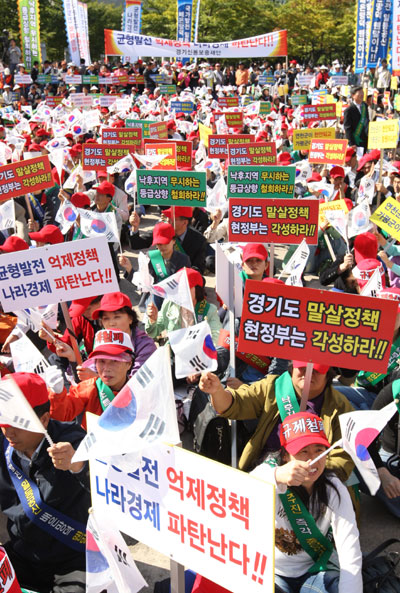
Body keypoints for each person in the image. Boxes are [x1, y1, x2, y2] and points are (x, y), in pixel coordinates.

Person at [193, 412, 362, 593]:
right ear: (285, 455)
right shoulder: (269, 472)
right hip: (272, 572)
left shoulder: (334, 488)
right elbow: (240, 492)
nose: (312, 460)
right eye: (303, 451)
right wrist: (276, 476)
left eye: (319, 450)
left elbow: (350, 552)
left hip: (315, 570)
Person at [0, 372, 90, 593]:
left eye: (17, 421)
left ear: (44, 420)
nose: (8, 430)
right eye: (3, 419)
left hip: (74, 558)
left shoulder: (74, 441)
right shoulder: (3, 443)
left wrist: (79, 465)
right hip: (22, 552)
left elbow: (106, 487)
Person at [199, 361, 354, 480]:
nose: (308, 374)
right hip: (265, 469)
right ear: (292, 368)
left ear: (328, 374)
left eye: (316, 370)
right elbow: (237, 402)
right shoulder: (274, 386)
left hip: (313, 479)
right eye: (302, 368)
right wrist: (217, 391)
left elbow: (342, 459)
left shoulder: (340, 406)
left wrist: (309, 472)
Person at [48, 328, 135, 428]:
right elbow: (63, 416)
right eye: (101, 361)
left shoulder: (140, 388)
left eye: (114, 361)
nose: (106, 368)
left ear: (129, 363)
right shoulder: (88, 388)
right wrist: (57, 394)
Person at [129, 206, 207, 273]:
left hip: (183, 278)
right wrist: (135, 227)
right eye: (167, 217)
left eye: (172, 219)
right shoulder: (162, 229)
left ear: (185, 223)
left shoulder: (199, 240)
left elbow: (198, 268)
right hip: (160, 274)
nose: (168, 221)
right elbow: (136, 244)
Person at [343, 85, 369, 150]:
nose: (362, 95)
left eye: (362, 92)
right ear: (353, 95)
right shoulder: (349, 110)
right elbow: (347, 128)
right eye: (359, 93)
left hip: (365, 140)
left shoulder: (365, 106)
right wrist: (351, 143)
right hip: (355, 141)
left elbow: (367, 121)